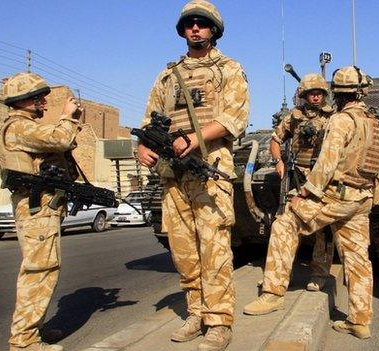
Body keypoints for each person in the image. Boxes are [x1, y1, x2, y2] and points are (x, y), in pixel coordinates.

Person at [136, 1, 249, 350]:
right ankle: (196, 312)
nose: (195, 29)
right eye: (190, 24)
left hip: (209, 169)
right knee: (183, 249)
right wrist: (141, 147)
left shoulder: (229, 69)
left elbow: (235, 117)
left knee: (214, 247)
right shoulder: (167, 76)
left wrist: (196, 138)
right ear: (183, 31)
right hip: (172, 175)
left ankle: (218, 322)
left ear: (213, 30)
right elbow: (148, 121)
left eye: (202, 24)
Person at [243, 66, 379, 339]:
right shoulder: (375, 123)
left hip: (335, 194)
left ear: (337, 93)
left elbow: (327, 163)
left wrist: (305, 193)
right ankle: (359, 320)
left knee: (285, 224)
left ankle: (273, 294)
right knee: (357, 258)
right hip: (361, 197)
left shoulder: (341, 121)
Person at [0, 72, 82, 351]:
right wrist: (68, 116)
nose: (45, 102)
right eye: (39, 97)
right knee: (40, 271)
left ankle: (33, 332)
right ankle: (24, 342)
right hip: (36, 209)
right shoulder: (19, 127)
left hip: (39, 207)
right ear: (25, 100)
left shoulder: (20, 126)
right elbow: (60, 139)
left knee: (42, 269)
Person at [270, 73, 334, 292]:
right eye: (311, 93)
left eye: (318, 93)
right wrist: (278, 161)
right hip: (297, 177)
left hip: (322, 179)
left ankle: (319, 274)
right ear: (304, 95)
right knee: (285, 225)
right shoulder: (294, 117)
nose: (315, 97)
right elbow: (276, 139)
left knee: (323, 231)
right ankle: (280, 275)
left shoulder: (333, 117)